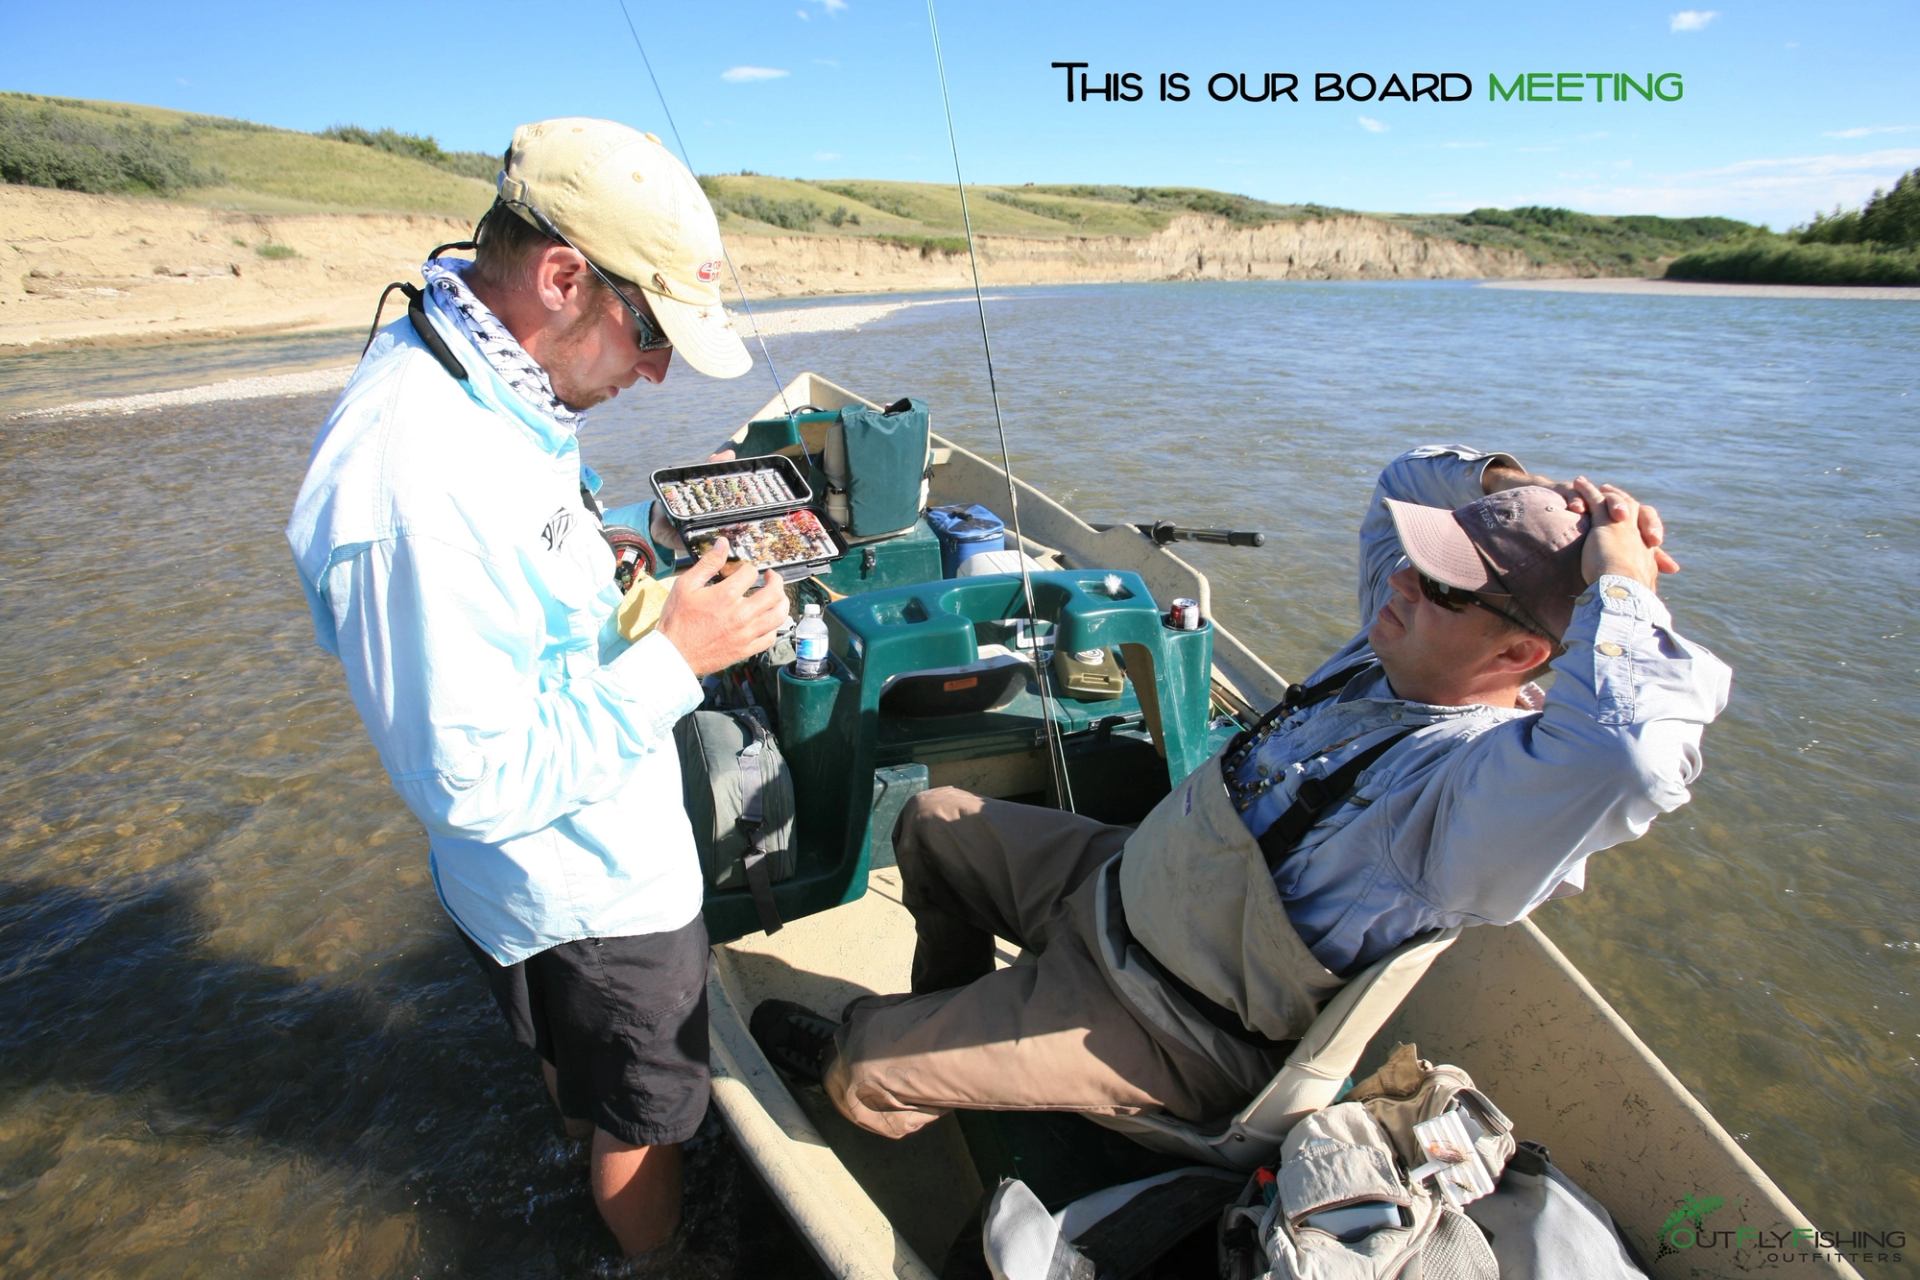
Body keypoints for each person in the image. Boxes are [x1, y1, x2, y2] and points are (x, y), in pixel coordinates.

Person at [752, 445, 1731, 1140]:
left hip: (1166, 1020)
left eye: (1439, 584)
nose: (1397, 581)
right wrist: (1518, 493)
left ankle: (901, 1065)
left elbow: (1636, 755)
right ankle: (961, 1008)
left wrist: (1622, 584)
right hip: (1121, 888)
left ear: (1521, 653)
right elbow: (1399, 480)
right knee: (931, 821)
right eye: (1425, 556)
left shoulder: (1474, 796)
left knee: (867, 1063)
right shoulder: (1390, 653)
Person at [286, 118, 791, 1255]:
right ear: (564, 276)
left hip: (541, 893)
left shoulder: (475, 362)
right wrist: (682, 653)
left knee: (590, 1079)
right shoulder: (413, 488)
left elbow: (514, 521)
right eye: (651, 330)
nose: (659, 368)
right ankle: (655, 1258)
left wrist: (593, 550)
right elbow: (470, 781)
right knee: (645, 1114)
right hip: (590, 892)